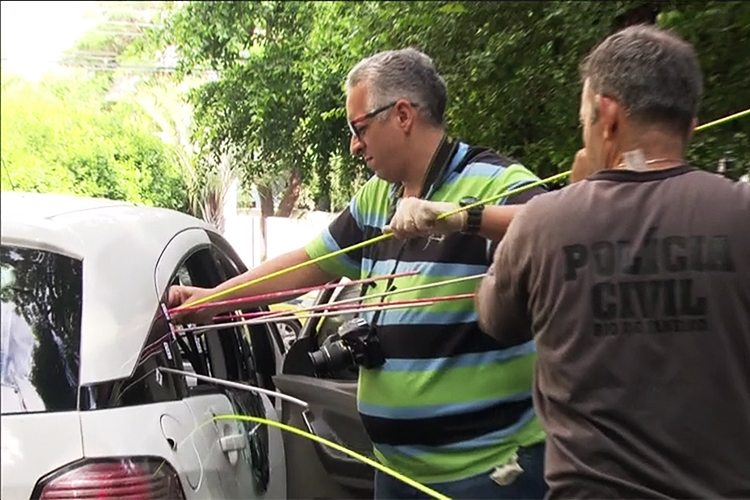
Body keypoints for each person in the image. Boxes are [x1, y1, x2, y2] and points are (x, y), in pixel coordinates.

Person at [169, 48, 549, 499]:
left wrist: (458, 218)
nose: (354, 144)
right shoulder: (377, 198)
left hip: (489, 475)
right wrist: (212, 300)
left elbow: (561, 228)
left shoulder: (494, 182)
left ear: (403, 115)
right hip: (395, 473)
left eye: (359, 128)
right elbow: (307, 264)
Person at [474, 25, 750, 498]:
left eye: (584, 118)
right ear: (691, 123)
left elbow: (493, 317)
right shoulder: (740, 212)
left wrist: (577, 195)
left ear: (607, 116)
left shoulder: (544, 221)